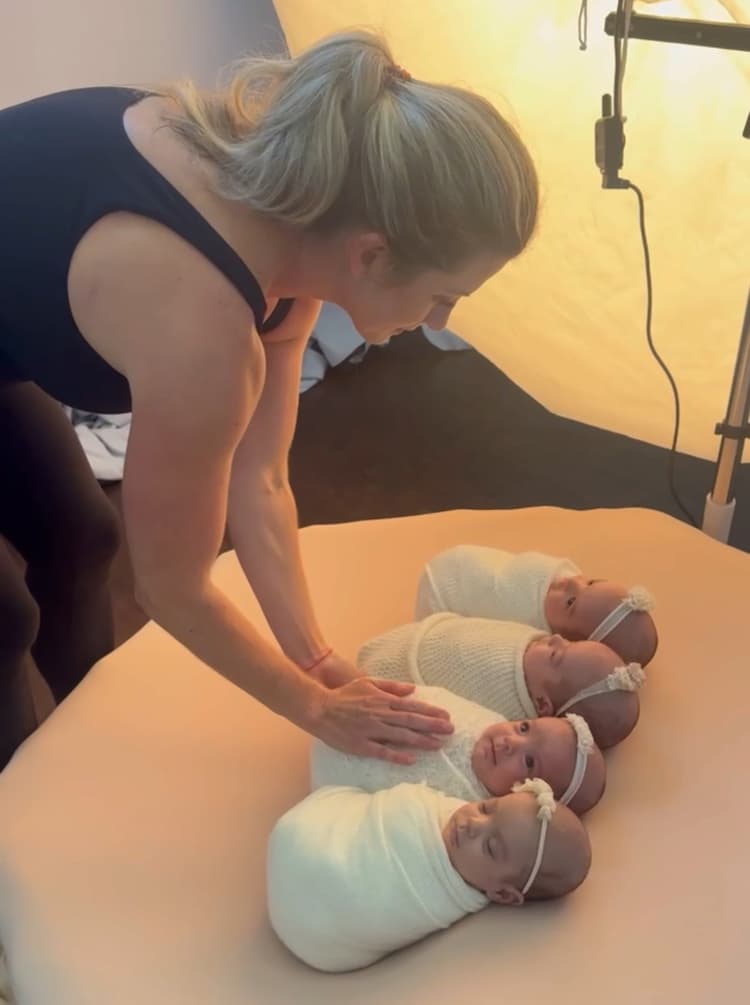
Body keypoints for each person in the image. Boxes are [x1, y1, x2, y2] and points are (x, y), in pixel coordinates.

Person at [0, 29, 540, 770]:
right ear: (373, 254)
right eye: (444, 295)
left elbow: (260, 482)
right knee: (4, 618)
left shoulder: (296, 236)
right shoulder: (204, 330)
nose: (442, 320)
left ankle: (79, 749)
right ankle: (22, 810)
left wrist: (319, 662)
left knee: (81, 536)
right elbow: (171, 587)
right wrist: (315, 709)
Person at [267, 778, 591, 972]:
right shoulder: (446, 811)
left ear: (503, 894)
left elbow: (375, 898)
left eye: (491, 847)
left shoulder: (437, 893)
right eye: (486, 808)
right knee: (296, 833)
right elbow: (396, 805)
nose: (471, 824)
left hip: (321, 926)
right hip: (299, 846)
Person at [310, 684, 606, 816]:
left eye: (529, 762)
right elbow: (426, 697)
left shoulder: (471, 815)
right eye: (524, 728)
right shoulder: (486, 720)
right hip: (339, 713)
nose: (510, 742)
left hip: (333, 785)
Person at [359, 613, 646, 748]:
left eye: (556, 655)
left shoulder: (502, 706)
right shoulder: (529, 646)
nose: (555, 637)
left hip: (393, 672)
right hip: (412, 638)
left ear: (542, 704)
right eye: (568, 642)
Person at [415, 544, 658, 665]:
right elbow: (509, 574)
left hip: (441, 592)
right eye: (590, 582)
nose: (571, 581)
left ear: (565, 640)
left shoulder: (528, 639)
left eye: (570, 602)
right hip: (457, 563)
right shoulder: (565, 581)